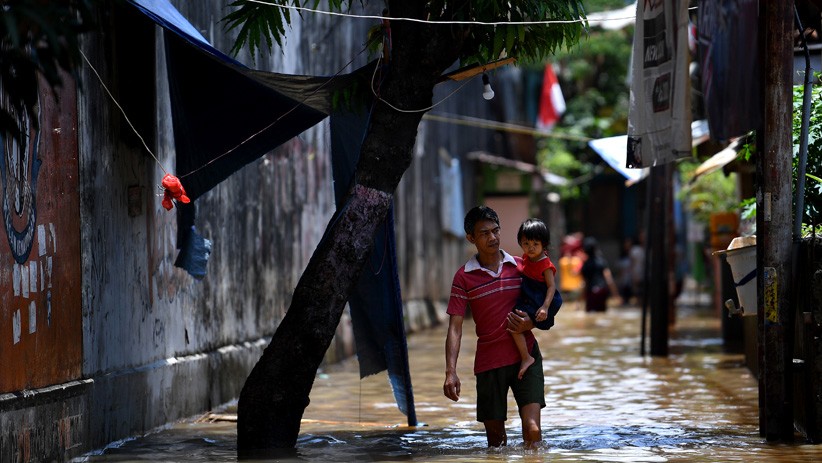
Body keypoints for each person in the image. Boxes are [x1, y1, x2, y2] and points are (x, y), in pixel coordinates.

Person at [443, 206, 546, 448]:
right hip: (489, 364)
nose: (493, 237)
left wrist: (531, 322)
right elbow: (455, 327)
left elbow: (548, 306)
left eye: (496, 230)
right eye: (484, 233)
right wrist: (450, 371)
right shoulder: (463, 278)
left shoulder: (523, 267)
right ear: (471, 238)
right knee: (496, 443)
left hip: (527, 357)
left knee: (533, 431)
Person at [512, 218, 562, 379]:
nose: (531, 248)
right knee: (513, 322)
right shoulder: (526, 257)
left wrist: (545, 307)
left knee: (516, 324)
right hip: (527, 293)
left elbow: (551, 287)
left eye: (535, 244)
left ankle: (526, 357)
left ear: (544, 244)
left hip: (538, 297)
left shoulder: (545, 264)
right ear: (521, 243)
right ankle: (526, 356)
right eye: (526, 244)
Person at [580, 237, 618, 312]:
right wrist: (616, 295)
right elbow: (609, 280)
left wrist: (579, 300)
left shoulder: (585, 265)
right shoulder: (602, 262)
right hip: (602, 292)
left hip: (591, 293)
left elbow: (584, 284)